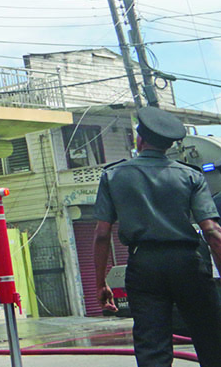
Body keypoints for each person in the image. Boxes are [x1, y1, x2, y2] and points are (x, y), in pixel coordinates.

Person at [94, 106, 221, 367]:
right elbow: (211, 231)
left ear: (139, 140)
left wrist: (100, 283)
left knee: (152, 346)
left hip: (144, 265)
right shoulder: (191, 175)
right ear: (170, 145)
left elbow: (102, 234)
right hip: (188, 262)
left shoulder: (113, 175)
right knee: (212, 338)